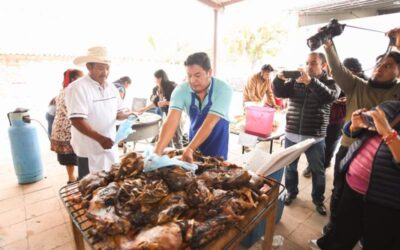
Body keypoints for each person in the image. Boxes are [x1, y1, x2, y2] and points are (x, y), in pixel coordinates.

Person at [322, 37, 400, 234]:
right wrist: (328, 45)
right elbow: (337, 68)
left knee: (374, 202)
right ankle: (334, 229)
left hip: (385, 157)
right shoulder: (357, 85)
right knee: (339, 192)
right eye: (378, 63)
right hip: (349, 148)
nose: (379, 68)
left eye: (388, 65)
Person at [310, 100, 400, 250]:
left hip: (384, 199)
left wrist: (387, 131)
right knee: (343, 228)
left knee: (376, 240)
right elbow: (351, 132)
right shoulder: (391, 106)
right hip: (353, 183)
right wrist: (355, 125)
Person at [273, 52, 340, 216]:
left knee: (318, 171)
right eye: (307, 62)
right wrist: (278, 79)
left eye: (313, 63)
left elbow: (329, 97)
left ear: (323, 65)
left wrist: (311, 82)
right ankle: (291, 192)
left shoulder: (331, 82)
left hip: (315, 136)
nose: (309, 66)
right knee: (290, 167)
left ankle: (318, 199)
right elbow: (280, 92)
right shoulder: (298, 80)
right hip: (292, 133)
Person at [65, 46, 133, 178]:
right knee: (89, 187)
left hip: (109, 146)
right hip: (90, 150)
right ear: (89, 67)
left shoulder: (111, 87)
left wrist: (128, 115)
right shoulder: (77, 88)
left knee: (110, 183)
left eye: (107, 68)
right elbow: (77, 120)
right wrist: (100, 139)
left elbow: (118, 113)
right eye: (101, 68)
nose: (105, 72)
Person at [154, 52, 233, 162]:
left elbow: (210, 123)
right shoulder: (181, 90)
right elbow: (171, 120)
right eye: (189, 76)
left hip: (217, 143)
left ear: (209, 72)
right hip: (194, 139)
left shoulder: (223, 89)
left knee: (216, 172)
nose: (192, 81)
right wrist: (157, 152)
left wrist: (190, 149)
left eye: (197, 75)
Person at [302, 57, 367, 177]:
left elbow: (361, 101)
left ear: (355, 70)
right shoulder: (335, 78)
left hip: (340, 119)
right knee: (317, 144)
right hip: (325, 116)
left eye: (349, 70)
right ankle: (311, 165)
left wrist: (347, 101)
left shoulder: (362, 82)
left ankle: (324, 165)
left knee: (331, 144)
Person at [50, 69, 84, 183]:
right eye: (81, 78)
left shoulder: (62, 91)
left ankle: (71, 178)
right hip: (68, 129)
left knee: (69, 158)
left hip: (59, 129)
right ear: (74, 79)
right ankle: (81, 180)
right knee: (79, 155)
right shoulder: (72, 91)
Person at [137, 69, 183, 149]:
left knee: (176, 137)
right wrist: (144, 109)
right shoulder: (156, 89)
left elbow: (180, 103)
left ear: (160, 78)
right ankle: (168, 155)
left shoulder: (172, 86)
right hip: (166, 114)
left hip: (176, 113)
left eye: (155, 78)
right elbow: (155, 103)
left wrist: (165, 103)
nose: (154, 80)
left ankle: (181, 156)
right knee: (165, 137)